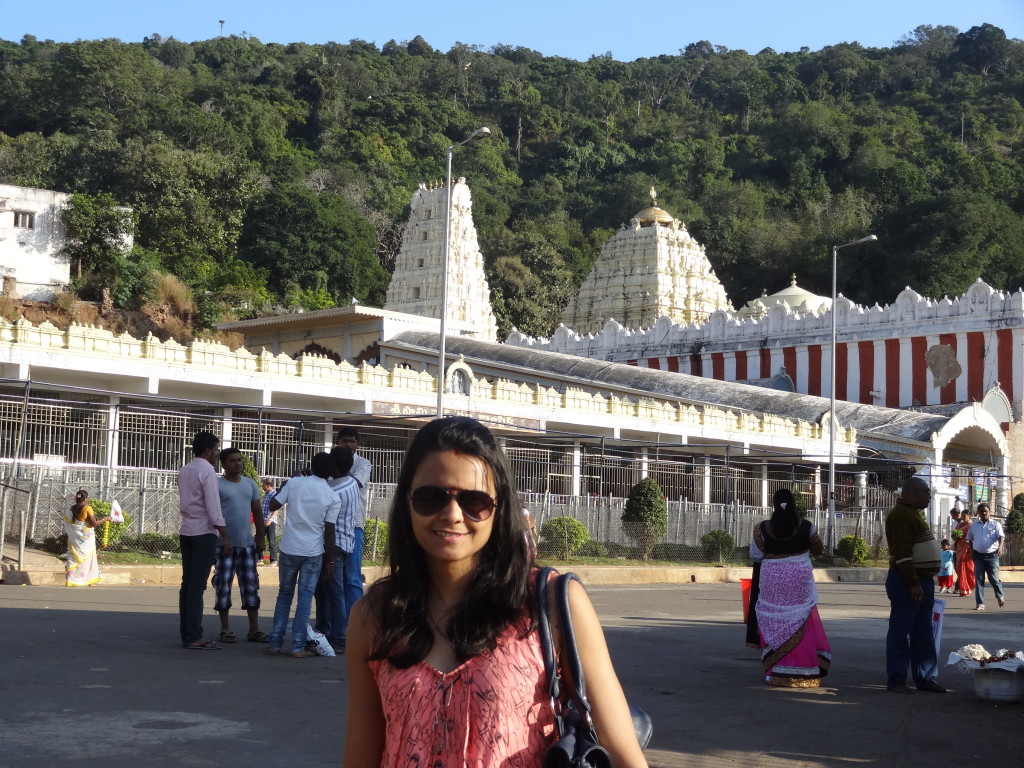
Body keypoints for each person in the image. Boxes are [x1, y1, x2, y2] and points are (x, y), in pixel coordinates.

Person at [342, 416, 648, 768]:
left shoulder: (548, 602)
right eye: (431, 497)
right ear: (407, 502)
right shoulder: (374, 617)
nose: (452, 515)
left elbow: (624, 754)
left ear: (498, 508)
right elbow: (361, 756)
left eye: (475, 501)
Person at [748, 488, 830, 687]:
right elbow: (818, 550)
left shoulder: (761, 529)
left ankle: (775, 671)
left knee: (775, 619)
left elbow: (756, 556)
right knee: (800, 619)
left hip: (772, 582)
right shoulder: (806, 526)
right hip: (799, 581)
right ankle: (804, 670)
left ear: (774, 506)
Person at [266, 452, 340, 658]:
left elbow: (273, 505)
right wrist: (330, 560)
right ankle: (298, 646)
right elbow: (329, 531)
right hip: (313, 552)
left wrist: (287, 484)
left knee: (284, 595)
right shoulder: (332, 496)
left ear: (311, 466)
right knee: (305, 599)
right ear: (332, 472)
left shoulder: (295, 482)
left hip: (289, 548)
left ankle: (275, 643)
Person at [884, 477, 945, 693]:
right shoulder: (901, 516)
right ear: (915, 492)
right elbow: (902, 555)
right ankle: (897, 680)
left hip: (921, 581)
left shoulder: (911, 514)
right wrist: (913, 583)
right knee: (901, 630)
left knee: (923, 630)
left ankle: (926, 678)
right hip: (908, 581)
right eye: (927, 493)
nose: (929, 497)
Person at [177, 431, 232, 650]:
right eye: (216, 450)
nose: (217, 454)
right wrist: (226, 537)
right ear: (208, 450)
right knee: (197, 585)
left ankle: (188, 633)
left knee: (188, 584)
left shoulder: (185, 470)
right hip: (204, 532)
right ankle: (194, 635)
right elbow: (213, 507)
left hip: (187, 530)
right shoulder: (207, 471)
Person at [212, 447, 268, 643]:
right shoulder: (218, 485)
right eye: (232, 461)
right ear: (224, 465)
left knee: (251, 586)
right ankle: (225, 628)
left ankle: (254, 629)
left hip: (247, 545)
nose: (237, 463)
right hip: (224, 545)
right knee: (223, 586)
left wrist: (261, 537)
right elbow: (213, 515)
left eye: (239, 460)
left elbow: (258, 512)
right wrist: (223, 537)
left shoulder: (250, 484)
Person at [314, 446, 359, 653]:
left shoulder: (333, 492)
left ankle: (338, 637)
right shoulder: (351, 483)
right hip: (346, 543)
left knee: (333, 593)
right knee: (326, 591)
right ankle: (325, 630)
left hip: (334, 546)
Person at [334, 426, 372, 619]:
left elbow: (353, 484)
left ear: (357, 444)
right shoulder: (332, 463)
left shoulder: (364, 464)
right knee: (334, 580)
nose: (348, 444)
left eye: (352, 441)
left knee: (353, 578)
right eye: (344, 441)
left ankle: (355, 623)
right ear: (338, 443)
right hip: (332, 528)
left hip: (354, 526)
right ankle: (338, 624)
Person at [63, 490, 110, 587]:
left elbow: (71, 523)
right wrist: (106, 518)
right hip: (86, 541)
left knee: (74, 558)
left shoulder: (71, 508)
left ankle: (71, 579)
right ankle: (91, 581)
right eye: (88, 498)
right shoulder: (88, 508)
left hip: (74, 540)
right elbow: (94, 523)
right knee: (89, 559)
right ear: (85, 498)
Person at [967, 503, 1006, 610]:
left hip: (992, 556)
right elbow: (969, 540)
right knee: (979, 580)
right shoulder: (974, 526)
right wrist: (971, 552)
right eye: (981, 511)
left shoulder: (995, 524)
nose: (984, 513)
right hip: (978, 556)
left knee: (994, 578)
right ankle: (980, 603)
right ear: (978, 513)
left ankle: (1000, 596)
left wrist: (1000, 547)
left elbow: (1001, 536)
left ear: (989, 512)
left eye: (986, 511)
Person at [953, 509, 975, 597]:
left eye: (964, 515)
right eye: (961, 515)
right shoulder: (959, 525)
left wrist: (969, 542)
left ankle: (969, 586)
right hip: (959, 549)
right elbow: (954, 537)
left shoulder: (973, 526)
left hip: (969, 549)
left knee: (969, 569)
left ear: (969, 516)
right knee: (960, 569)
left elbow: (975, 537)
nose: (962, 517)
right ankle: (963, 589)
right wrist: (956, 536)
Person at [261, 478, 279, 565]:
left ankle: (273, 560)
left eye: (263, 484)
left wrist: (270, 520)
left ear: (268, 485)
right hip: (263, 521)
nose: (262, 486)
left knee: (271, 540)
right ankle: (259, 559)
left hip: (270, 521)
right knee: (259, 539)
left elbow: (276, 509)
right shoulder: (266, 494)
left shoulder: (274, 494)